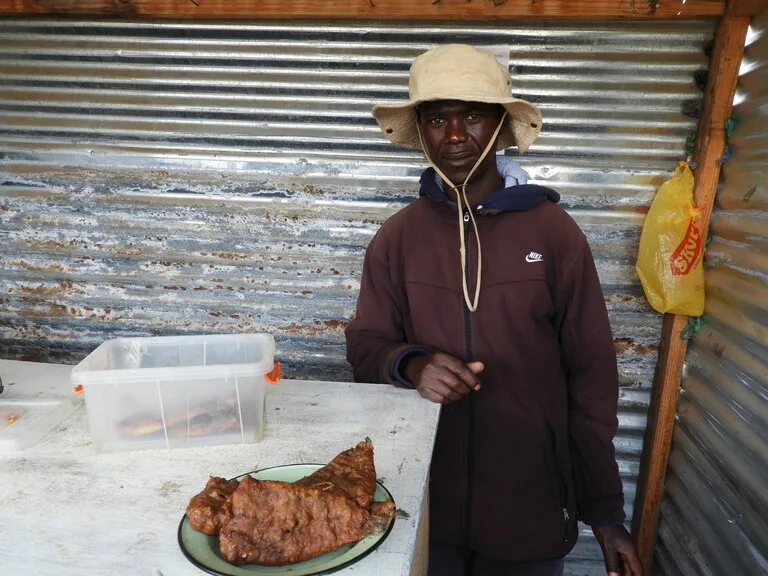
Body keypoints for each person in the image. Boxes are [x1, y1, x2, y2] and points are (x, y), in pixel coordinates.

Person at [344, 44, 643, 576]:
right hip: (422, 501)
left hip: (529, 503)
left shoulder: (554, 234)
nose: (455, 135)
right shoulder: (397, 237)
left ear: (501, 124)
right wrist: (411, 364)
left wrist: (604, 511)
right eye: (437, 119)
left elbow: (592, 374)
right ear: (421, 131)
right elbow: (365, 345)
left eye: (473, 116)